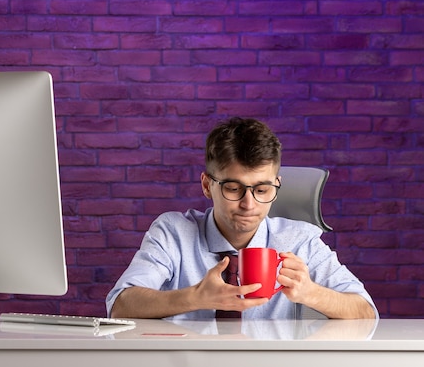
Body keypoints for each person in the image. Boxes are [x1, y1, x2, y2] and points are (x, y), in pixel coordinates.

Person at [106, 117, 377, 320]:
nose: (249, 204)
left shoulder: (300, 239)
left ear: (277, 185)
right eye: (234, 189)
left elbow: (366, 312)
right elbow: (121, 305)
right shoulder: (173, 232)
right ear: (206, 185)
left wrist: (310, 293)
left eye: (262, 190)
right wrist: (194, 297)